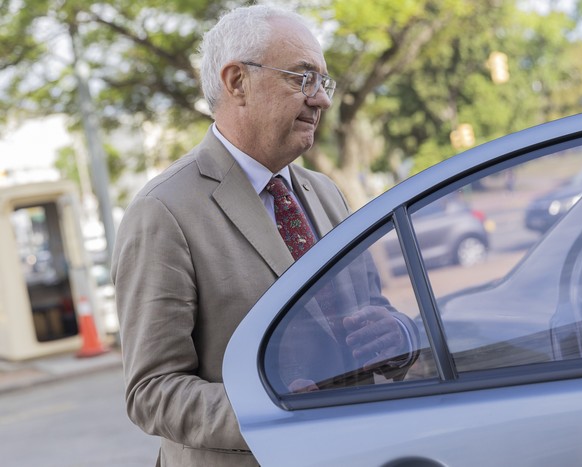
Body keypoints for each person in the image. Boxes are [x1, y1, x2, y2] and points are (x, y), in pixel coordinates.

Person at [111, 5, 418, 466]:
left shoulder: (325, 192)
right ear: (237, 82)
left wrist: (396, 336)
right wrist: (270, 409)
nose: (322, 99)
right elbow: (152, 391)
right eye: (302, 78)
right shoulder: (163, 211)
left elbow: (373, 307)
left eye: (323, 82)